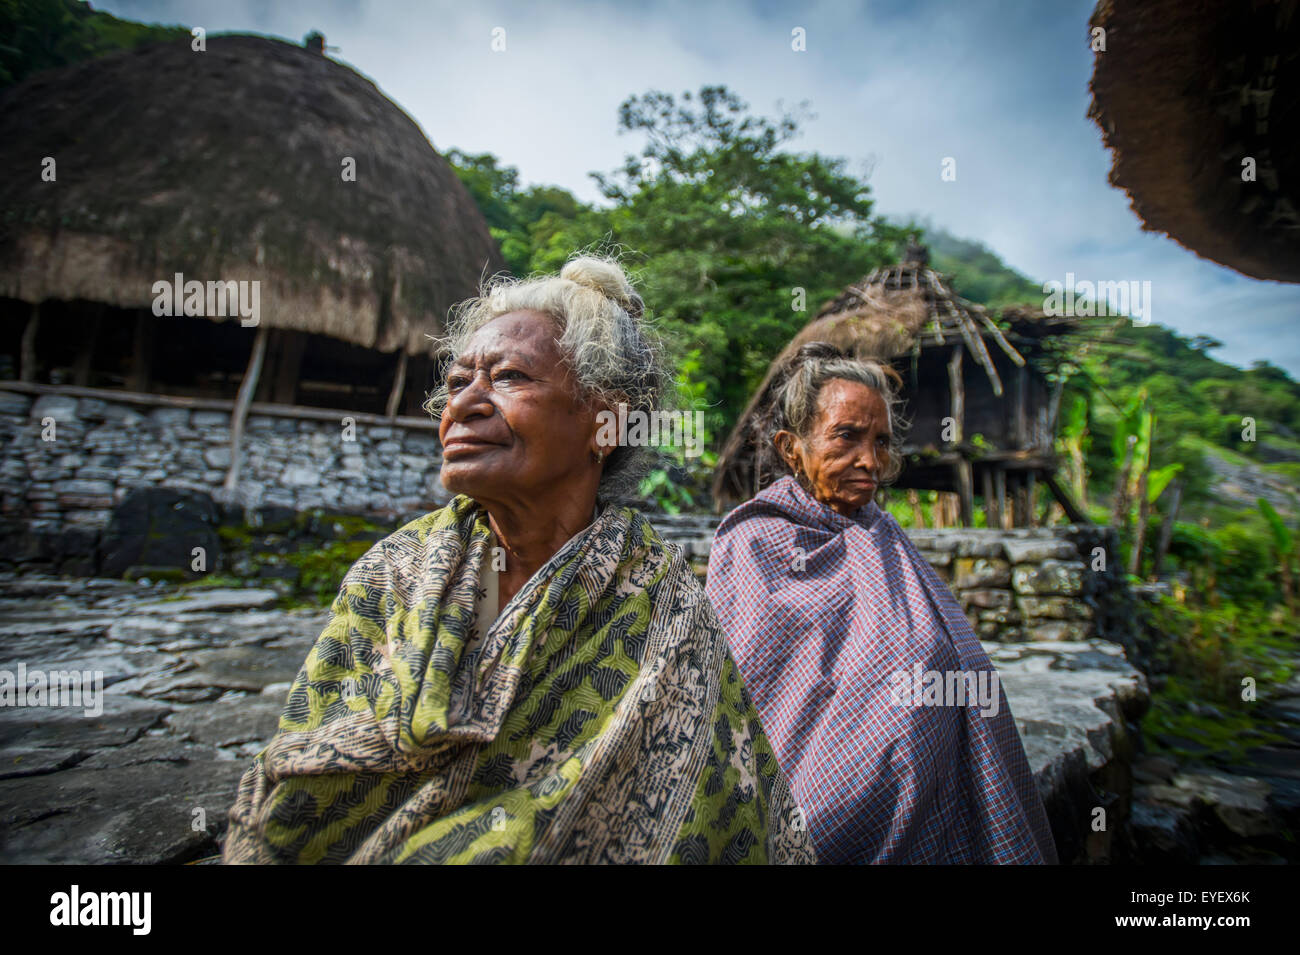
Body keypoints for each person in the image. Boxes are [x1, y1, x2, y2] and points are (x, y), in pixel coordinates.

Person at [222, 256, 814, 865]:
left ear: (605, 422)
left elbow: (716, 811)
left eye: (507, 377)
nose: (465, 404)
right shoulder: (393, 572)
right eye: (456, 383)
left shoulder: (665, 611)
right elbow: (300, 765)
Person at [705, 342, 1057, 864]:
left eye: (882, 442)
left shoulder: (883, 535)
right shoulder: (753, 542)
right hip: (801, 798)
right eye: (846, 436)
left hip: (928, 800)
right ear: (791, 447)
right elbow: (753, 692)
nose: (870, 460)